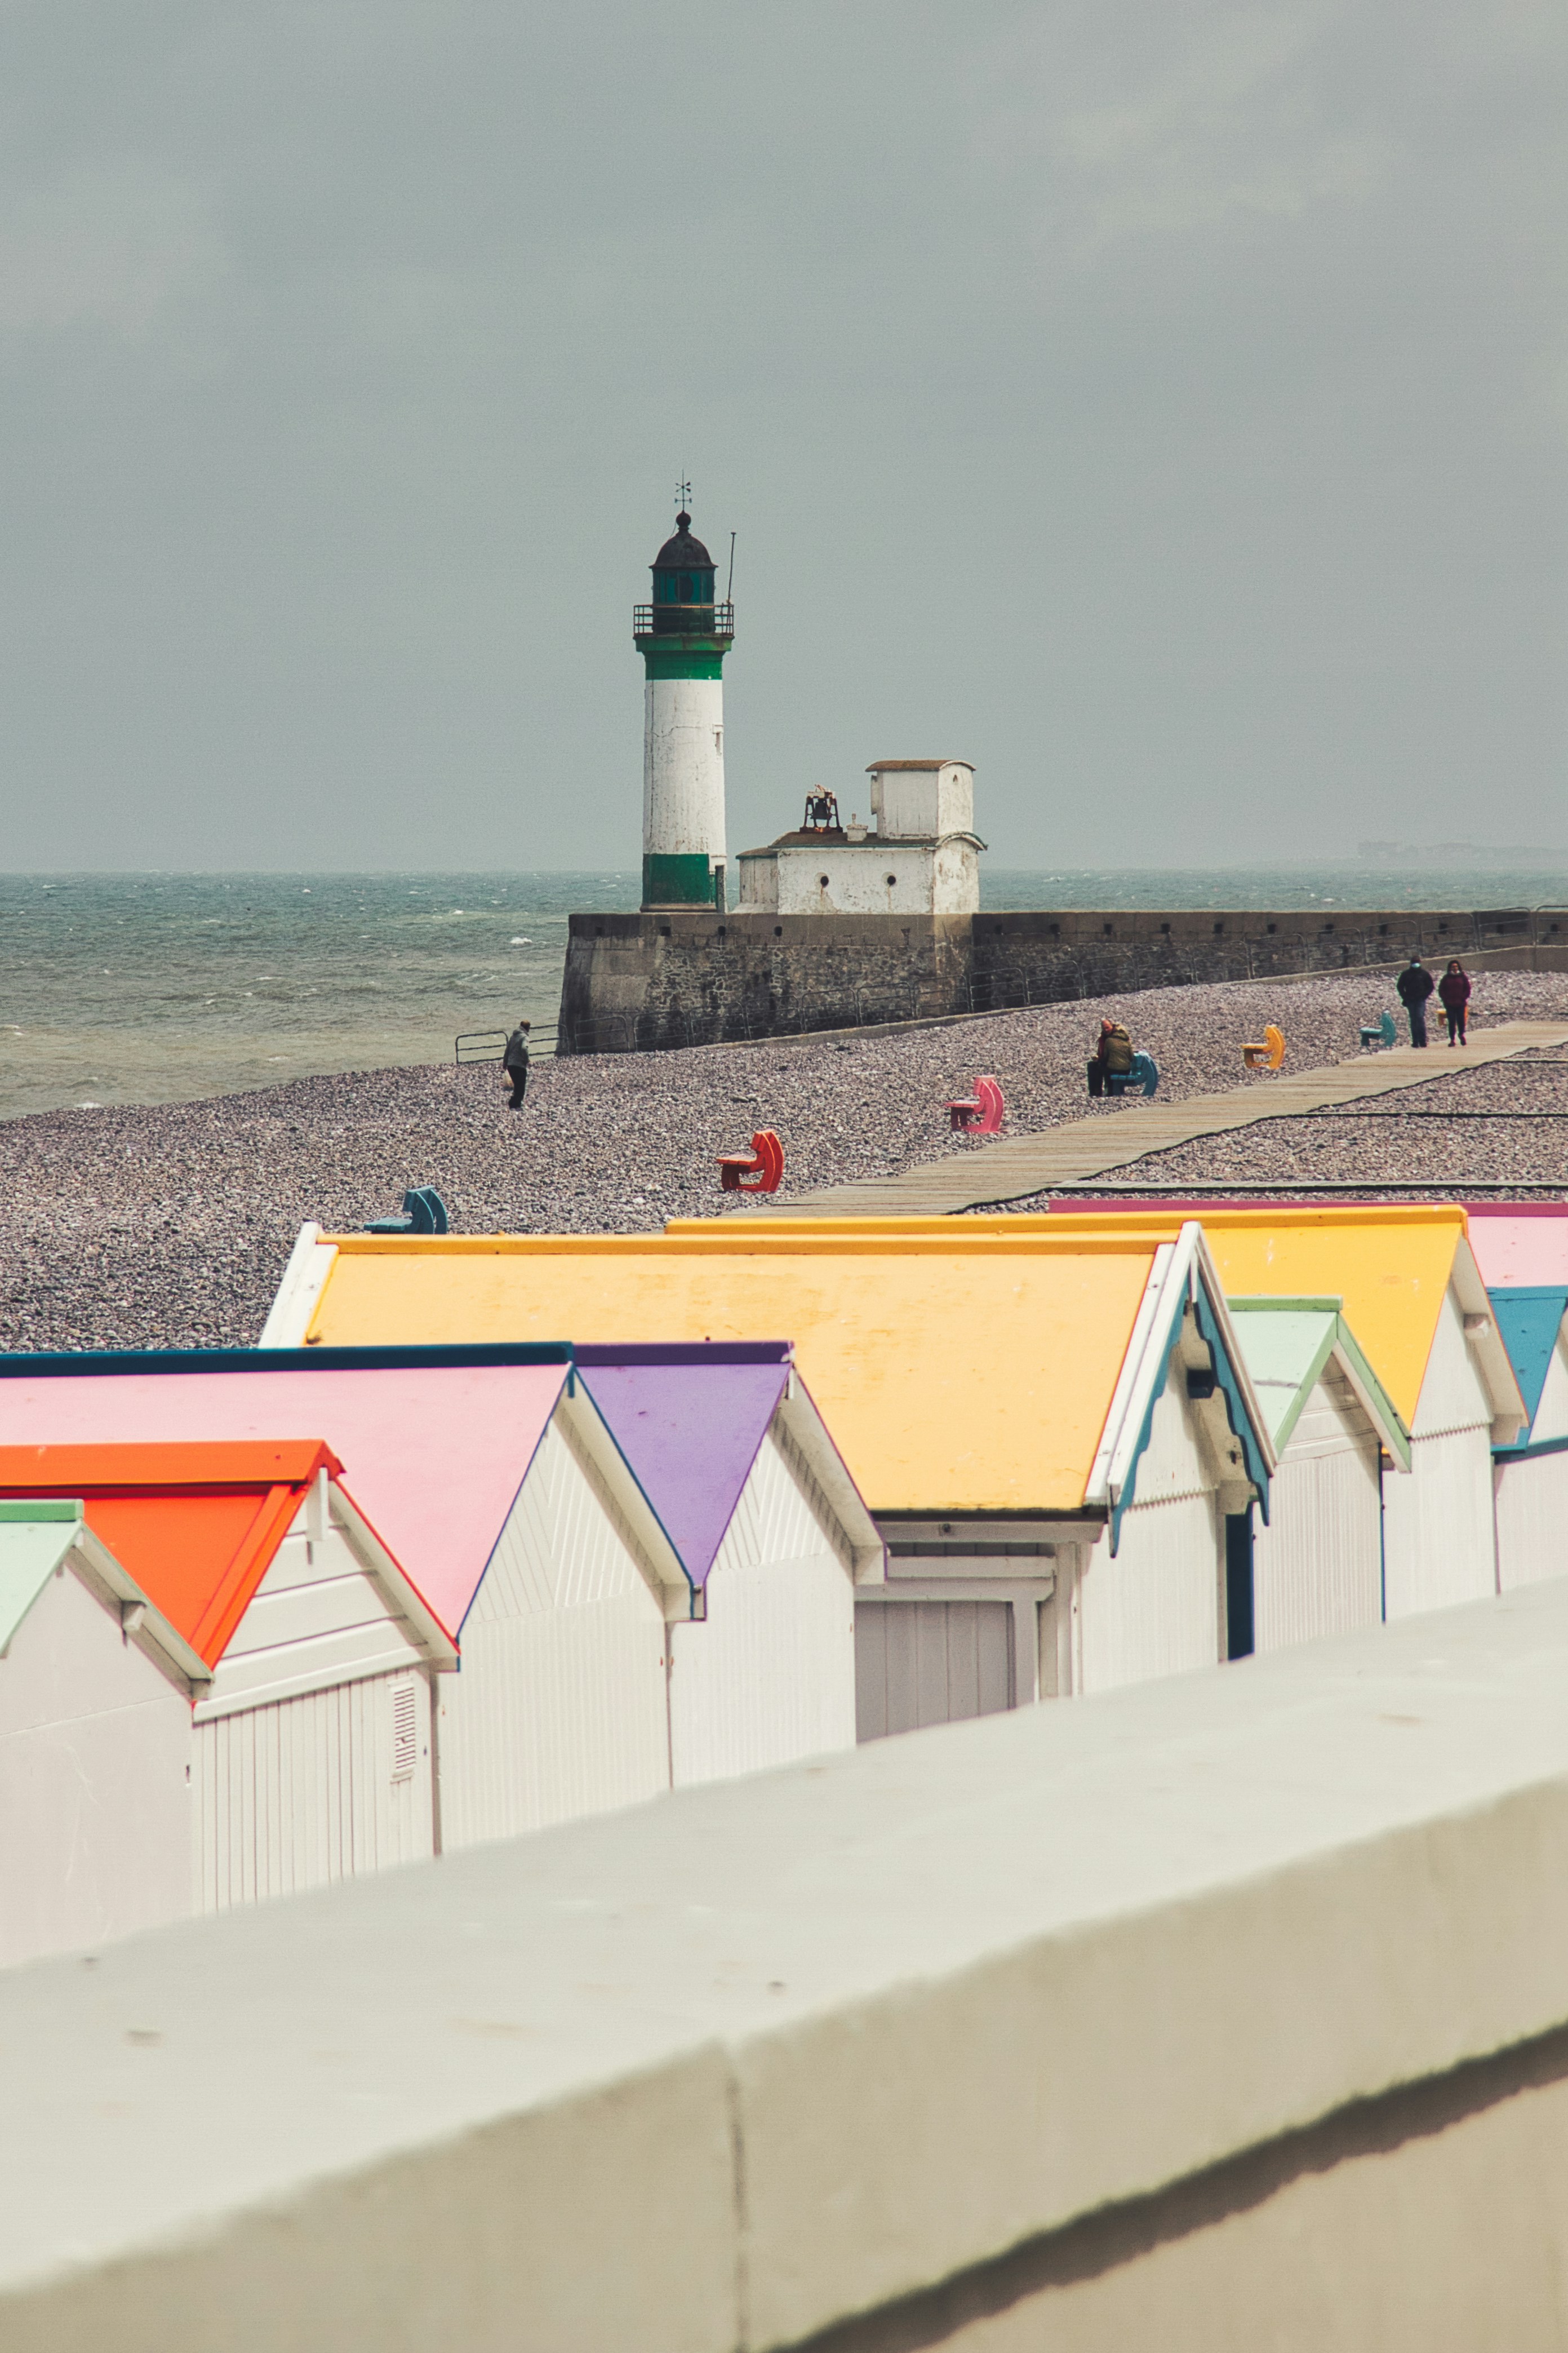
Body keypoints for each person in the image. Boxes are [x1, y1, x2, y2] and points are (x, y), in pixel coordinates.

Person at [1087, 1016, 1135, 1097]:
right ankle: (1099, 1091)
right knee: (1096, 1065)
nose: (1106, 1030)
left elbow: (1105, 1056)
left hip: (1115, 1067)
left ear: (1112, 1026)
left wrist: (1099, 1059)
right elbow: (1131, 1055)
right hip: (1125, 1067)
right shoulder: (1124, 1036)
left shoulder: (1109, 1040)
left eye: (1107, 1028)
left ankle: (1096, 1091)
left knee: (1094, 1066)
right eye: (1104, 1028)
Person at [1396, 957, 1434, 1048]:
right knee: (1413, 1020)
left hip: (1421, 1000)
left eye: (1417, 962)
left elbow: (1430, 986)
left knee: (1420, 1018)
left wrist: (1425, 995)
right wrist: (1405, 997)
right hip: (1410, 1000)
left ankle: (1423, 1041)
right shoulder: (1406, 974)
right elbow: (1400, 986)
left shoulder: (1424, 974)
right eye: (1414, 962)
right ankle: (1415, 1041)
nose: (1415, 964)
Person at [1438, 958, 1471, 1047]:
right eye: (1453, 967)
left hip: (1460, 1003)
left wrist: (1463, 998)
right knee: (1452, 1022)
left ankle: (1461, 1035)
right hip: (1450, 1004)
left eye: (1456, 966)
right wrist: (1446, 1000)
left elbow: (1467, 989)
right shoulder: (1446, 978)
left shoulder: (1463, 977)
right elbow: (1441, 990)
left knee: (1461, 1021)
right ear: (1450, 968)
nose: (1455, 968)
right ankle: (1452, 1039)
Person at [502, 1020, 531, 1109]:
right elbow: (524, 1048)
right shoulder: (525, 1038)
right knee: (521, 1086)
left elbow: (507, 1050)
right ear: (528, 1028)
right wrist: (527, 1060)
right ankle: (516, 1104)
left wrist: (505, 1063)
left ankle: (513, 1103)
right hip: (519, 1065)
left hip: (511, 1065)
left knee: (517, 1085)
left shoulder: (513, 1037)